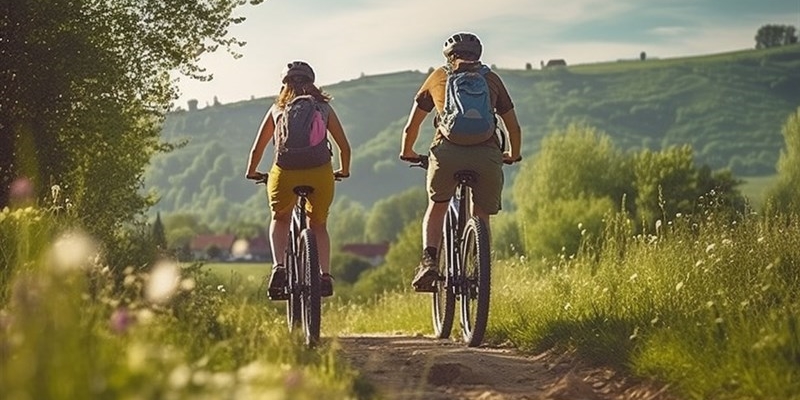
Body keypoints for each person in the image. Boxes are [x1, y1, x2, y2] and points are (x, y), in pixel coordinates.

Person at [399, 32, 522, 292]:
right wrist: (512, 154)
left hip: (447, 154)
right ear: (477, 56)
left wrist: (407, 151)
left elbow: (412, 126)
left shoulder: (438, 77)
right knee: (482, 214)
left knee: (437, 205)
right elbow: (514, 128)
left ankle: (429, 262)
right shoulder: (491, 79)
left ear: (449, 56)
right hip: (486, 156)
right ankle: (480, 266)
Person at [246, 60, 351, 299]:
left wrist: (252, 172)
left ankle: (279, 266)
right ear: (312, 83)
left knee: (280, 218)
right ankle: (324, 276)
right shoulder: (323, 108)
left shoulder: (276, 110)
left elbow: (257, 150)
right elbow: (344, 147)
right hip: (320, 173)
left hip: (284, 173)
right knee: (319, 225)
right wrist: (344, 170)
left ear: (284, 85)